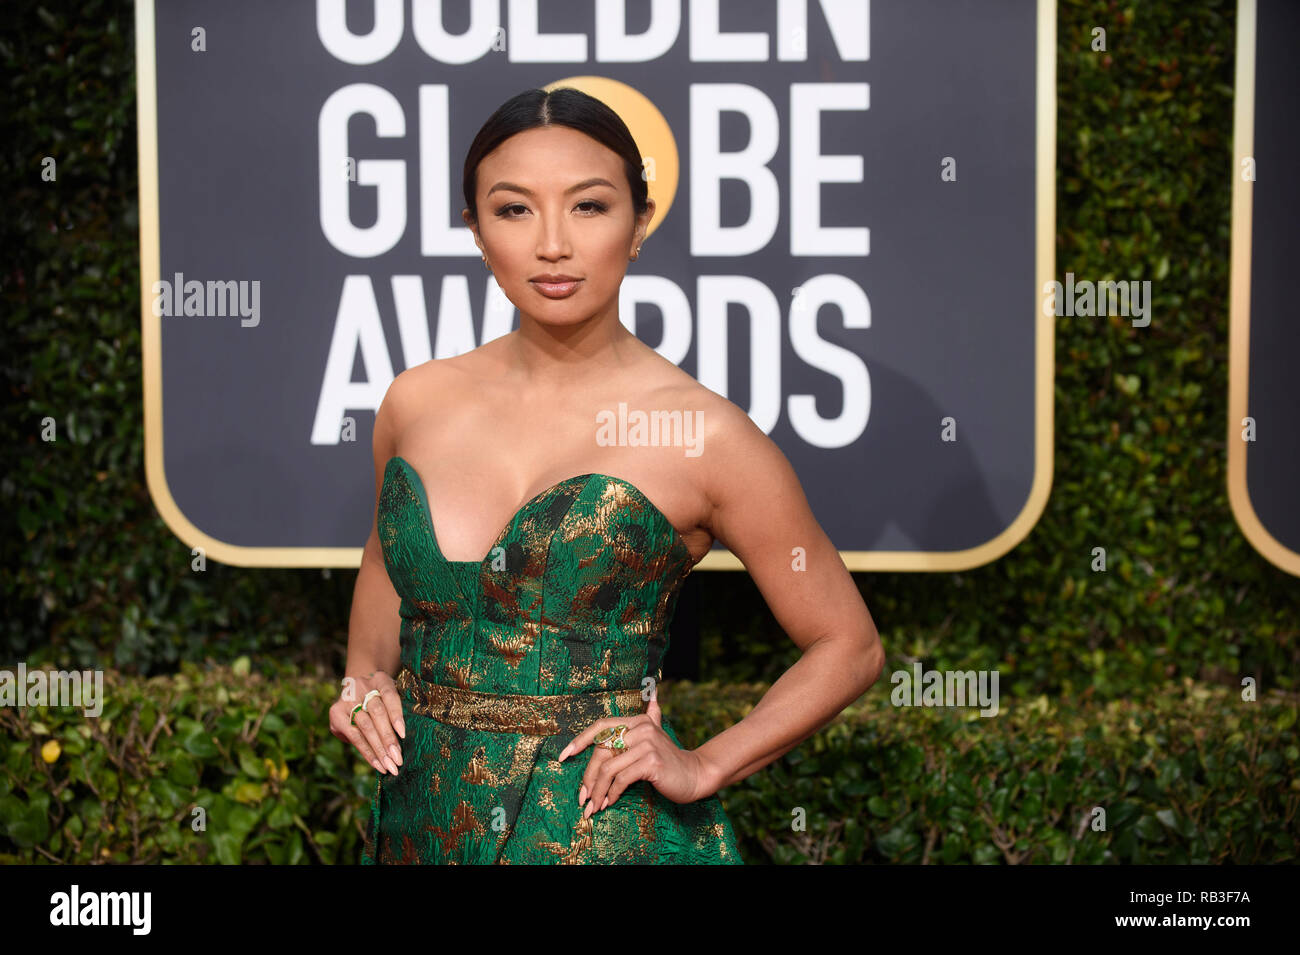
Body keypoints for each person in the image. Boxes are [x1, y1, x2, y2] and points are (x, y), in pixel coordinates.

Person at [330, 87, 884, 864]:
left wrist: (704, 763)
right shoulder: (414, 402)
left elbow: (848, 645)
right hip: (421, 825)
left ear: (639, 224)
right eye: (514, 210)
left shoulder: (703, 433)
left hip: (606, 835)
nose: (552, 244)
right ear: (476, 232)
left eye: (589, 207)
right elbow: (389, 568)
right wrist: (365, 687)